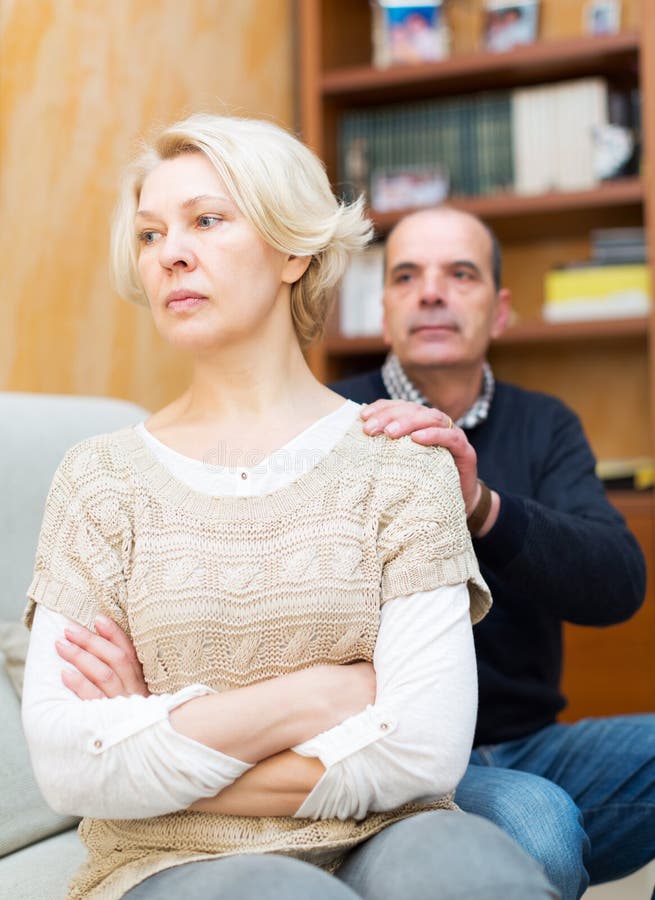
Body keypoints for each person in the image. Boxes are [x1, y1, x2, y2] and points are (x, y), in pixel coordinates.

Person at [20, 116, 557, 900]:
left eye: (206, 220)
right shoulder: (98, 480)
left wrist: (157, 738)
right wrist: (318, 697)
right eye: (148, 234)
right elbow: (71, 767)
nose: (169, 252)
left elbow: (424, 753)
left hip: (393, 830)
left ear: (294, 250)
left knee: (477, 878)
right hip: (168, 863)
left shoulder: (401, 465)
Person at [332, 205, 655, 900]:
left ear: (499, 311)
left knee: (545, 812)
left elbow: (617, 584)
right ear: (383, 309)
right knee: (541, 835)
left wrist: (482, 507)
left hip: (533, 741)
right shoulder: (327, 422)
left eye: (460, 274)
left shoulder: (544, 424)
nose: (430, 293)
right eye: (407, 276)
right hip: (395, 757)